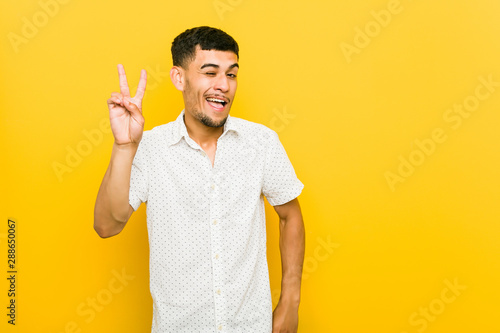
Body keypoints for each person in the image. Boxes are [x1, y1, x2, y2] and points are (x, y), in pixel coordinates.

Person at [94, 26, 305, 333]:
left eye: (231, 75)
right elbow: (107, 225)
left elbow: (290, 216)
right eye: (210, 72)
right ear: (179, 78)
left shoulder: (262, 142)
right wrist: (124, 147)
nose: (224, 86)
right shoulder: (151, 148)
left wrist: (290, 302)